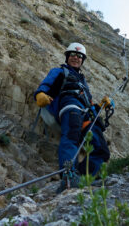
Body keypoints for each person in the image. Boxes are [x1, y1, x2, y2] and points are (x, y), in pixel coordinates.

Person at [34, 42, 111, 190]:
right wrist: (40, 94)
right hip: (70, 107)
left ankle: (82, 178)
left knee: (101, 149)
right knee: (71, 138)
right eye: (73, 55)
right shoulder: (59, 71)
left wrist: (101, 105)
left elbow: (88, 102)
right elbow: (46, 85)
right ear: (67, 57)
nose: (76, 58)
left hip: (86, 114)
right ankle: (68, 176)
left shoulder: (83, 82)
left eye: (79, 56)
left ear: (83, 60)